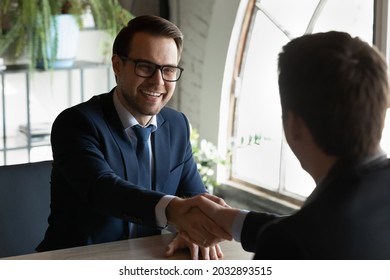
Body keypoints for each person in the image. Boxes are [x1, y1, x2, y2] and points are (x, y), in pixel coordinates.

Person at [36, 15, 231, 260]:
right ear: (118, 65)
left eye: (168, 69)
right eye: (145, 67)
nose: (158, 81)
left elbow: (193, 197)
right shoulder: (76, 124)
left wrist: (193, 230)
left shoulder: (177, 125)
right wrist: (175, 211)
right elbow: (103, 189)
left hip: (147, 260)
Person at [182, 31, 390, 259]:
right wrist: (231, 220)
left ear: (294, 125)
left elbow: (302, 236)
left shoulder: (288, 244)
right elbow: (314, 230)